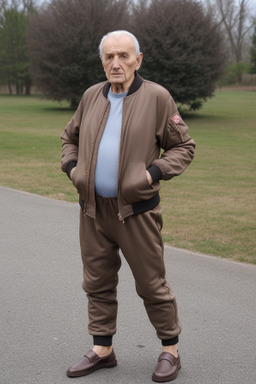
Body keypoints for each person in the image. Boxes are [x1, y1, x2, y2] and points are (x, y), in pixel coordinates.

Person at [61, 30, 195, 382]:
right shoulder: (91, 96)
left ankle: (170, 350)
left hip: (136, 211)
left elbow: (183, 147)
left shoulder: (157, 98)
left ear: (139, 60)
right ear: (102, 60)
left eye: (123, 55)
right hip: (92, 210)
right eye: (109, 56)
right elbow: (69, 138)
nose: (115, 63)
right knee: (97, 281)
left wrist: (152, 174)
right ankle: (102, 349)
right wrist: (73, 170)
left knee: (151, 284)